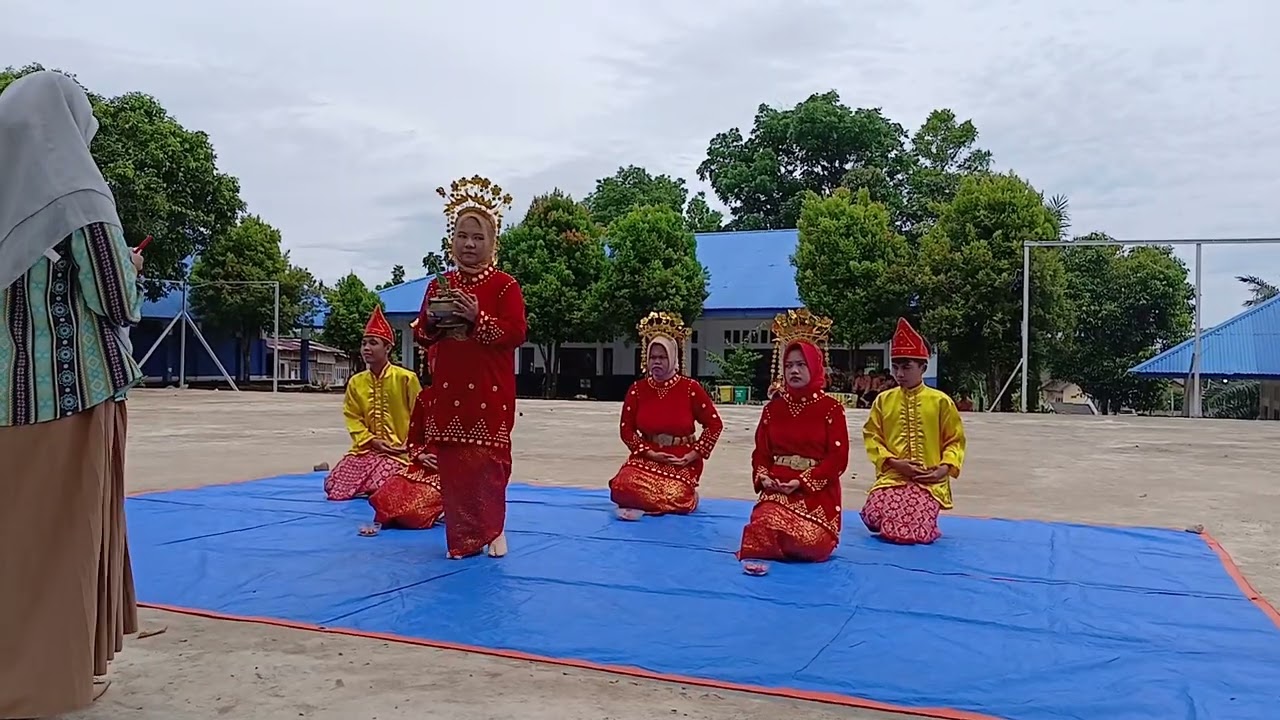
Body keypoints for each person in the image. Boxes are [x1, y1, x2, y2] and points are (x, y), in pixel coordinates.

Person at [0, 70, 143, 718]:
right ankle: (45, 682)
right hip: (66, 399)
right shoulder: (78, 193)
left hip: (6, 399)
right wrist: (131, 270)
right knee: (61, 546)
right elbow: (115, 298)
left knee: (14, 543)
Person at [415, 175, 526, 559]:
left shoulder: (504, 287)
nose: (469, 244)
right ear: (452, 240)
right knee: (455, 468)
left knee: (488, 464)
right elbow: (421, 334)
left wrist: (479, 319)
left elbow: (516, 332)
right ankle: (462, 538)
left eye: (478, 238)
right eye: (462, 236)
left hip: (489, 389)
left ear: (493, 244)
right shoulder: (439, 285)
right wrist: (430, 321)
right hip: (449, 390)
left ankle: (493, 529)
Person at [737, 309, 848, 574]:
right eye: (789, 365)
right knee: (764, 522)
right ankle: (776, 544)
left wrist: (802, 482)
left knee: (811, 542)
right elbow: (761, 453)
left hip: (816, 493)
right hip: (776, 487)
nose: (794, 371)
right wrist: (763, 477)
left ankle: (778, 546)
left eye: (801, 365)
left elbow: (837, 461)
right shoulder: (772, 409)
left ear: (815, 367)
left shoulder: (831, 409)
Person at [860, 318, 966, 545]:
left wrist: (943, 470)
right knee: (873, 515)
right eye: (896, 367)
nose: (899, 373)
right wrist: (896, 463)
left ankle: (924, 521)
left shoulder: (941, 402)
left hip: (929, 481)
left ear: (923, 368)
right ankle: (904, 519)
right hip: (893, 477)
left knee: (906, 529)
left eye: (906, 367)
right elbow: (872, 437)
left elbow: (954, 441)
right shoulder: (883, 400)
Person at [609, 312, 723, 519]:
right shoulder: (637, 389)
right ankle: (651, 501)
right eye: (653, 357)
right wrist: (649, 453)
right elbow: (626, 430)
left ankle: (682, 498)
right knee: (621, 486)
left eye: (662, 357)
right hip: (647, 456)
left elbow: (714, 425)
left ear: (673, 358)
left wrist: (693, 454)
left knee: (677, 495)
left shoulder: (690, 388)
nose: (657, 362)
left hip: (680, 459)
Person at [323, 305, 422, 501]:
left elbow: (421, 417)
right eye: (364, 343)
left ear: (387, 348)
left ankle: (377, 485)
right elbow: (353, 418)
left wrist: (407, 445)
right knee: (333, 485)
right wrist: (373, 441)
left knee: (385, 482)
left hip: (399, 452)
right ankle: (370, 485)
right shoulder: (356, 382)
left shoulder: (405, 378)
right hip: (367, 449)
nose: (366, 348)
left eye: (373, 343)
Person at [365, 345, 445, 531]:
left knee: (413, 513)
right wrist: (421, 456)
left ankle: (446, 506)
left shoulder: (469, 398)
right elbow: (414, 439)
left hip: (452, 470)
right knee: (384, 499)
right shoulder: (425, 398)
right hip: (421, 465)